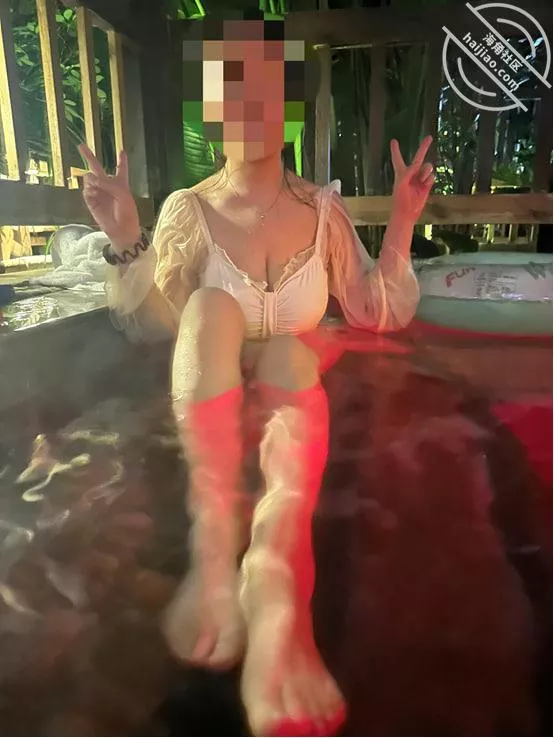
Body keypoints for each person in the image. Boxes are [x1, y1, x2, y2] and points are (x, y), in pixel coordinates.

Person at [79, 16, 434, 737]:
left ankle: (276, 578)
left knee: (291, 351)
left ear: (288, 106)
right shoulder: (188, 211)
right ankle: (215, 553)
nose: (249, 105)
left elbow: (374, 312)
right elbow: (157, 324)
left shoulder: (322, 212)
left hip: (289, 399)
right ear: (212, 110)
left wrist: (402, 221)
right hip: (208, 399)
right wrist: (126, 239)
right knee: (210, 308)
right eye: (231, 89)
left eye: (267, 89)